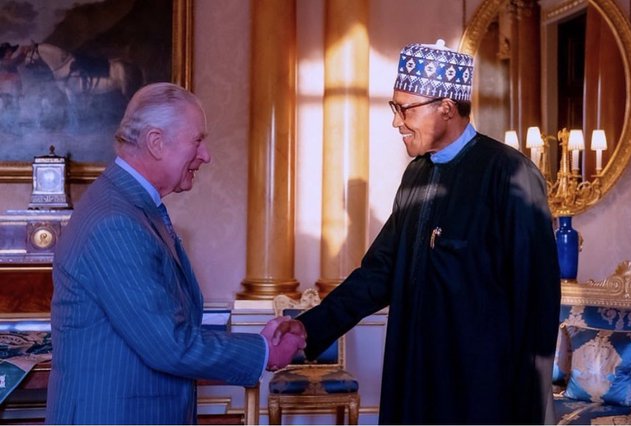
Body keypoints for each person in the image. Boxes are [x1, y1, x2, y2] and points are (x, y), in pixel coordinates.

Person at [277, 39, 561, 424]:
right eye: (395, 108)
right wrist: (308, 326)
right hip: (414, 377)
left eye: (404, 108)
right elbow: (381, 271)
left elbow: (536, 306)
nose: (397, 121)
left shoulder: (510, 174)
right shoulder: (417, 174)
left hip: (480, 393)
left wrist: (528, 411)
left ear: (445, 108)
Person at [46, 82, 304, 424]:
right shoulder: (116, 222)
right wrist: (264, 352)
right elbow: (168, 344)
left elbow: (164, 325)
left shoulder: (131, 207)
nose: (206, 155)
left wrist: (256, 343)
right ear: (156, 142)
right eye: (197, 141)